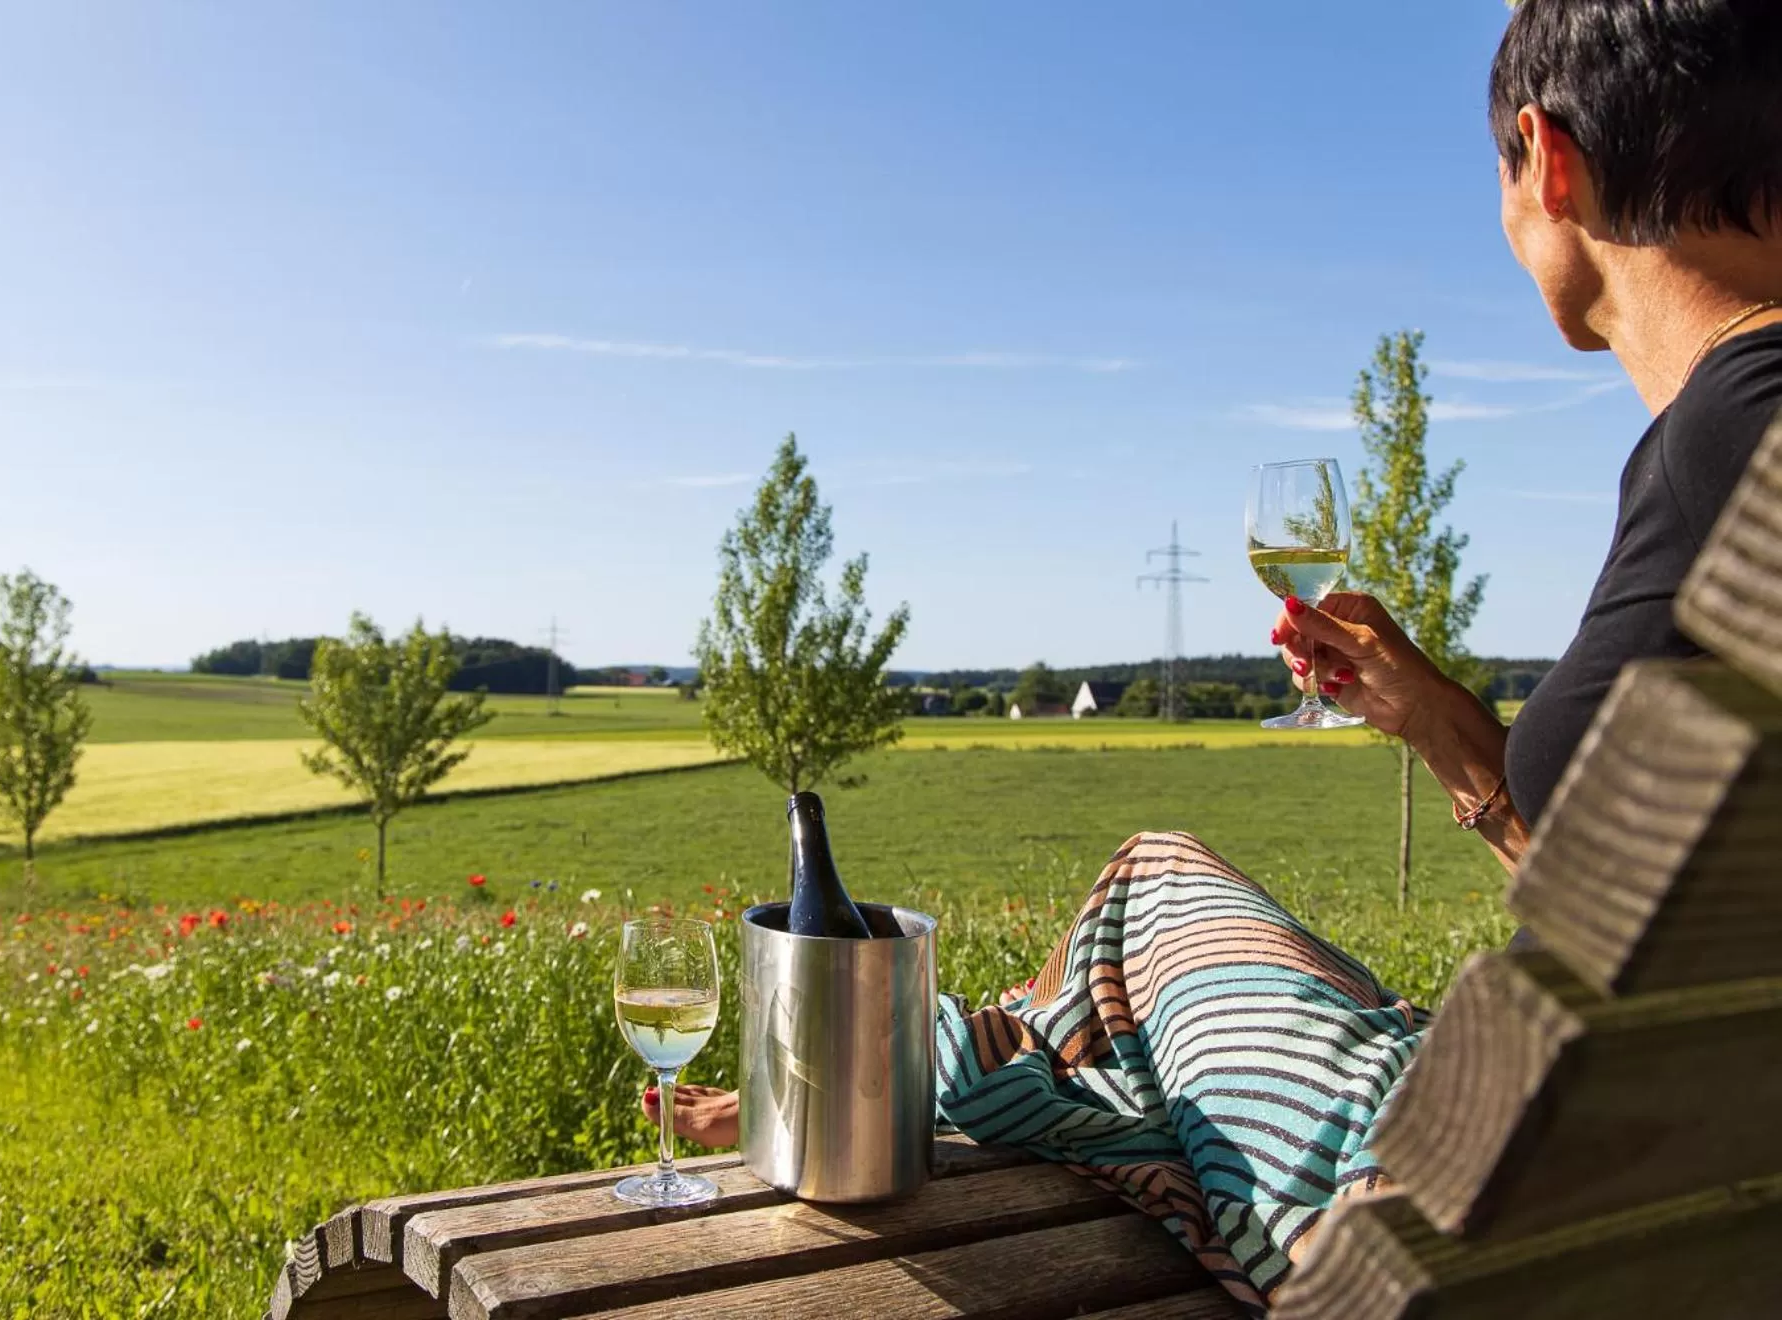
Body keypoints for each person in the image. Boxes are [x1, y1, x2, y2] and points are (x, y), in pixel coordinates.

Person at [641, 2, 1782, 1313]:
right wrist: (1440, 724)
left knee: (1150, 880)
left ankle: (886, 1085)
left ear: (1550, 156)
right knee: (1156, 905)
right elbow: (1653, 919)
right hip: (1673, 1190)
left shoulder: (1736, 448)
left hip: (1485, 1215)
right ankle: (959, 1082)